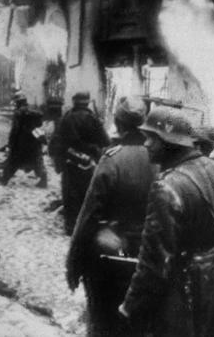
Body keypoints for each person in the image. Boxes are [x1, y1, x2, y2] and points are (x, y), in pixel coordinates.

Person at [118, 107, 214, 337]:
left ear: (168, 142)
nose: (146, 145)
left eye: (151, 139)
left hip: (185, 296)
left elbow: (154, 261)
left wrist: (131, 306)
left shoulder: (167, 187)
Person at [66, 96, 157, 336]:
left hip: (113, 255)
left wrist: (74, 261)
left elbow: (89, 215)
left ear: (119, 123)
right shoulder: (162, 160)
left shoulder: (112, 159)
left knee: (104, 319)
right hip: (152, 255)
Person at [50, 91, 110, 235]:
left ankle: (70, 227)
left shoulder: (66, 118)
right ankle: (86, 227)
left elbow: (56, 141)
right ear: (88, 102)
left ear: (74, 102)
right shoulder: (93, 119)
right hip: (90, 163)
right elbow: (105, 141)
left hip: (70, 162)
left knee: (70, 195)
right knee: (88, 194)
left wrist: (58, 161)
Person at [0, 91, 48, 188]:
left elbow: (15, 130)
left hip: (21, 143)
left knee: (13, 161)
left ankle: (4, 179)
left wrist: (11, 143)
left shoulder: (18, 113)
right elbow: (39, 126)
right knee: (36, 162)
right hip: (34, 143)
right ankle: (43, 180)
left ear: (17, 102)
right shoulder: (34, 112)